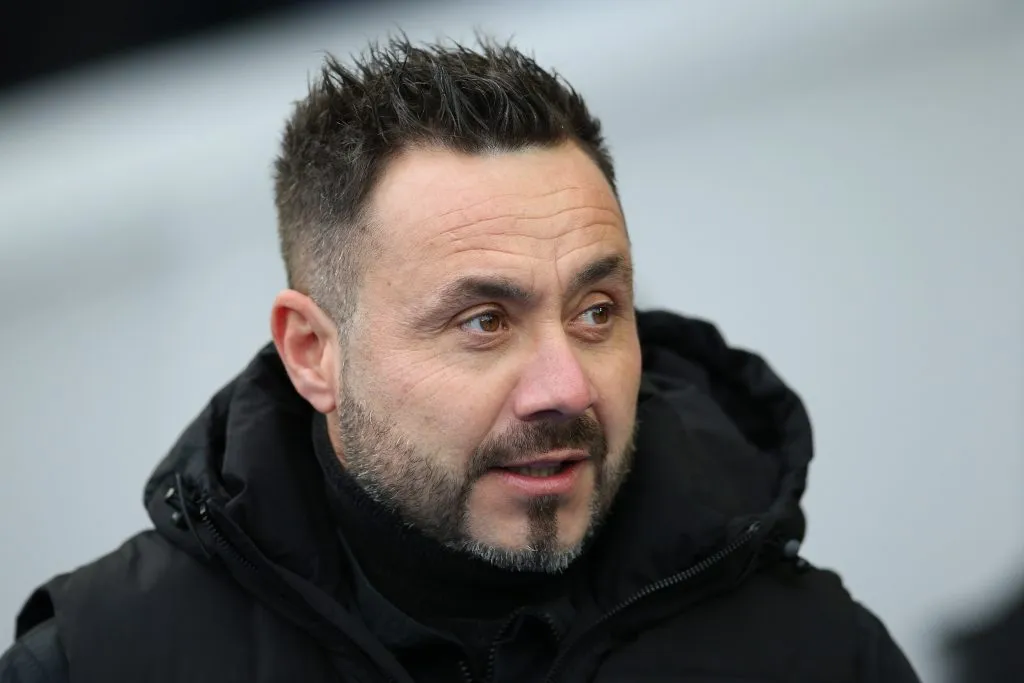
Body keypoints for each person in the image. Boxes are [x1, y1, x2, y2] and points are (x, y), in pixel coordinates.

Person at [0, 35, 921, 683]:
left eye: (597, 311)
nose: (566, 388)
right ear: (314, 353)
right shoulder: (101, 662)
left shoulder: (814, 651)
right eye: (484, 322)